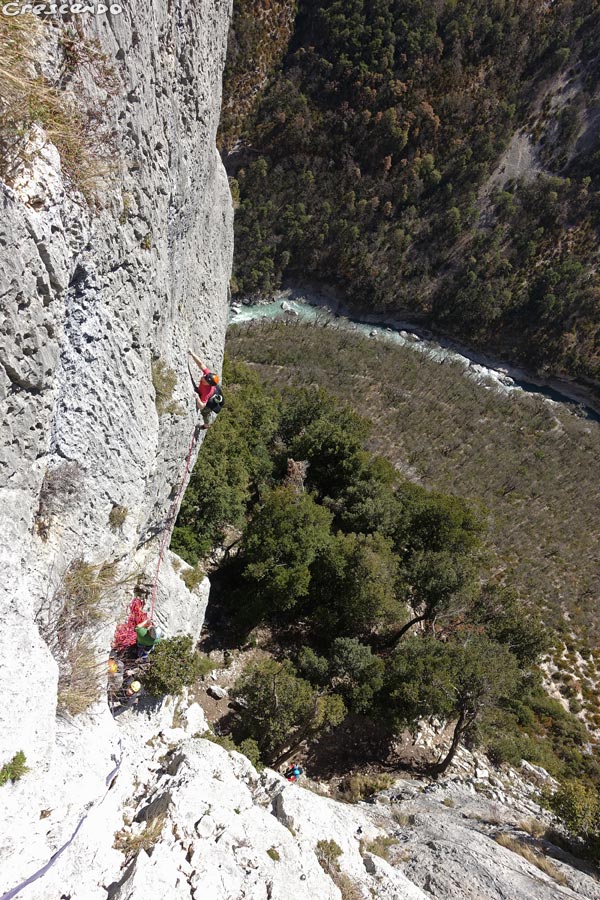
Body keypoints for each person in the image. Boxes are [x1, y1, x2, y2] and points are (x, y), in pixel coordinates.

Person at [188, 349, 222, 430]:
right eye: (205, 376)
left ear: (208, 384)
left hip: (208, 402)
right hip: (208, 392)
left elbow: (202, 406)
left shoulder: (207, 392)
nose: (203, 377)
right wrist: (192, 354)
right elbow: (201, 364)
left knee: (205, 413)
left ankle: (206, 425)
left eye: (205, 379)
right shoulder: (208, 375)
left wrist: (197, 397)